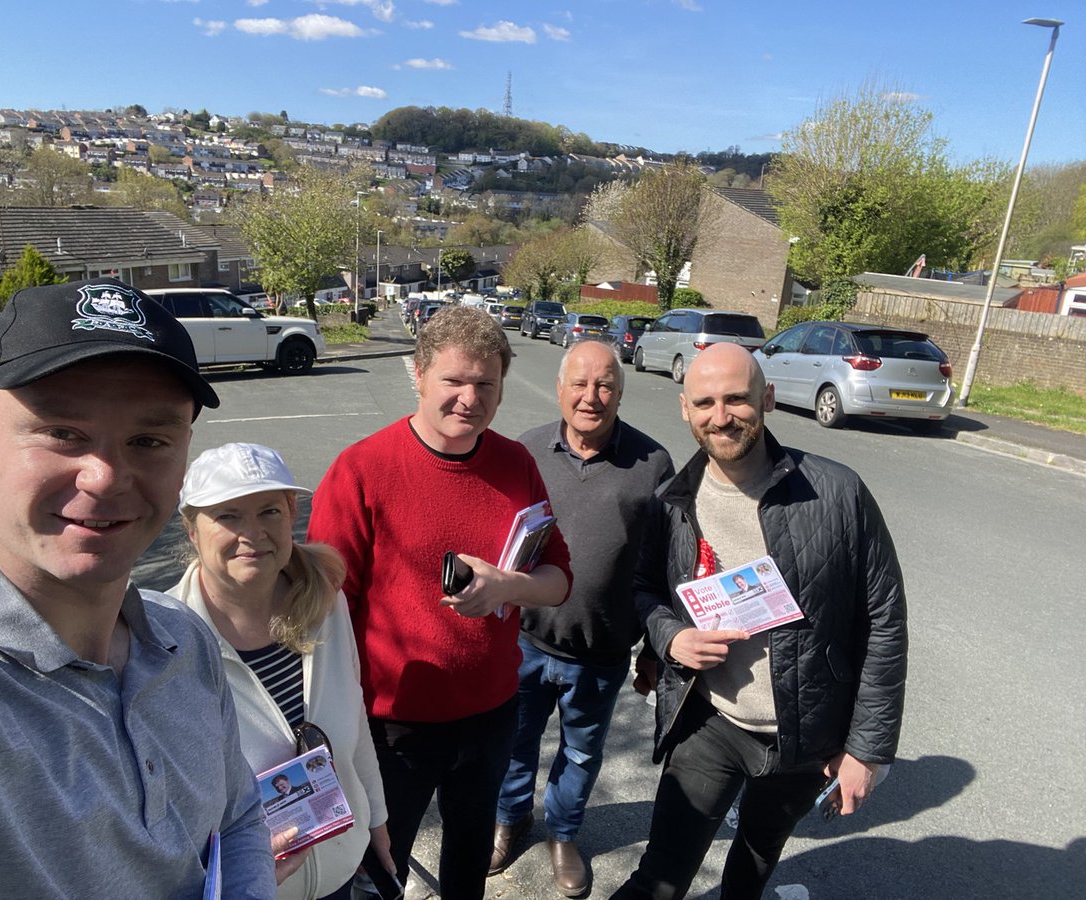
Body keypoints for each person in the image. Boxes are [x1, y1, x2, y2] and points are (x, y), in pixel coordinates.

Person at [0, 278, 279, 897]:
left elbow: (236, 816)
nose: (106, 476)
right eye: (63, 433)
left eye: (148, 440)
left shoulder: (184, 640)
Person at [613, 342, 908, 900]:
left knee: (753, 863)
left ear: (766, 398)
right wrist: (671, 638)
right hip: (710, 721)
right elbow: (644, 590)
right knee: (661, 877)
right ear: (685, 409)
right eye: (705, 402)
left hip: (805, 738)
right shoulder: (672, 502)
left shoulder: (838, 492)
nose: (720, 416)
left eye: (736, 399)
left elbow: (884, 623)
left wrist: (867, 750)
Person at [306, 305, 573, 899]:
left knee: (470, 853)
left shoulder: (516, 463)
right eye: (454, 381)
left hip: (493, 711)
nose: (469, 399)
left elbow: (558, 578)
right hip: (391, 725)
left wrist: (509, 587)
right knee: (381, 865)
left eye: (485, 384)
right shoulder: (361, 470)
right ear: (420, 375)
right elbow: (322, 608)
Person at [169, 442, 392, 900]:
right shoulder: (165, 641)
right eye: (228, 516)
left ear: (292, 515)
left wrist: (376, 822)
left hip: (338, 870)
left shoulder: (326, 603)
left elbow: (355, 727)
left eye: (269, 511)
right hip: (249, 888)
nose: (252, 533)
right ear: (192, 530)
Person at [492, 340, 674, 897]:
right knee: (514, 743)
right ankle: (509, 819)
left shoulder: (653, 463)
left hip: (600, 651)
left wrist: (655, 650)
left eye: (604, 386)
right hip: (523, 641)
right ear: (560, 387)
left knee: (580, 751)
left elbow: (667, 565)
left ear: (619, 392)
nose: (590, 397)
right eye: (580, 384)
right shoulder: (526, 451)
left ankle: (564, 834)